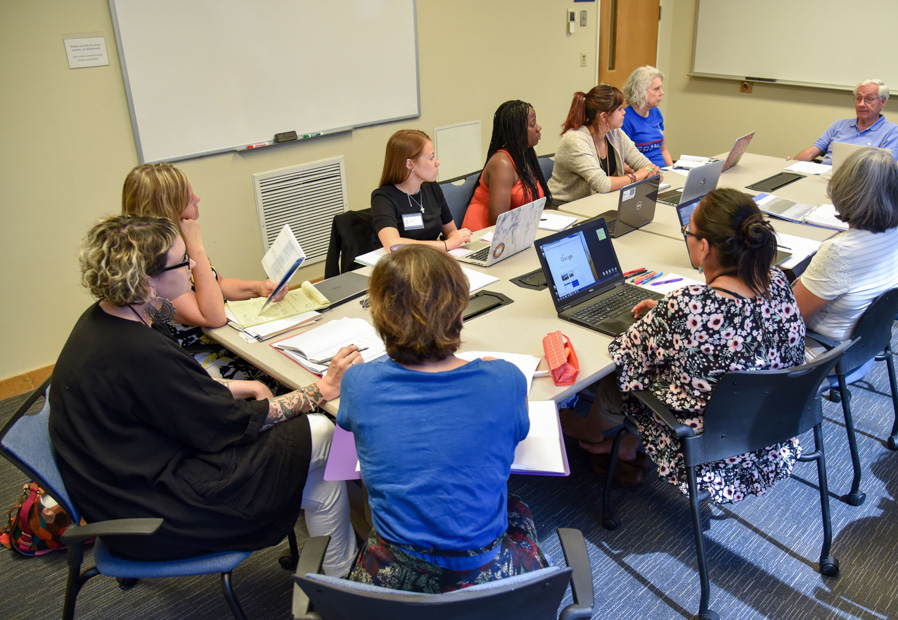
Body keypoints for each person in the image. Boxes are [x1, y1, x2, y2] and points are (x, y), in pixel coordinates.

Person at [49, 215, 359, 577]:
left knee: (322, 482)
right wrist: (319, 389)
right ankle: (362, 545)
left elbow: (178, 392)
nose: (194, 265)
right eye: (183, 262)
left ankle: (339, 574)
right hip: (157, 513)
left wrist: (244, 387)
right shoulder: (138, 352)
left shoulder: (108, 321)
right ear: (147, 281)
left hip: (127, 483)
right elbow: (226, 424)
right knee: (324, 431)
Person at [560, 188, 808, 498]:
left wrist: (665, 319)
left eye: (688, 231)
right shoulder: (778, 282)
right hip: (770, 430)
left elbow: (623, 354)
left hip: (706, 449)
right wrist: (666, 318)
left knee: (616, 380)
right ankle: (624, 445)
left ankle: (589, 432)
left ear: (704, 248)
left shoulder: (689, 307)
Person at [337, 245, 545, 592]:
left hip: (392, 575)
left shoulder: (358, 383)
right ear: (460, 315)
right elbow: (520, 427)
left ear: (380, 319)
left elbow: (348, 422)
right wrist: (498, 373)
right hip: (485, 571)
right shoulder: (506, 379)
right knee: (516, 505)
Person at [122, 164, 284, 385]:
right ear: (171, 208)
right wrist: (196, 245)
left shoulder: (176, 245)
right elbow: (212, 317)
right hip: (198, 358)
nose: (198, 198)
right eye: (189, 198)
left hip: (223, 342)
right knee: (279, 379)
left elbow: (217, 284)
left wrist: (257, 288)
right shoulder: (158, 267)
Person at [792, 148, 898, 344]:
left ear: (845, 190)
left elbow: (789, 320)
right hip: (863, 346)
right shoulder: (897, 231)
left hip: (821, 353)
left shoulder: (839, 252)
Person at [548, 85, 662, 205]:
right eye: (619, 109)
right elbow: (602, 184)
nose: (624, 112)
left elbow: (643, 163)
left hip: (596, 203)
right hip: (565, 207)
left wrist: (652, 172)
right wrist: (636, 176)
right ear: (603, 116)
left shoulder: (614, 132)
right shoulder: (575, 140)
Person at [370, 129, 472, 251]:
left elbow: (451, 232)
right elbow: (393, 245)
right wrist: (445, 245)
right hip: (400, 265)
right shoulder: (383, 198)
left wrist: (456, 239)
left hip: (432, 259)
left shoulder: (432, 188)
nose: (437, 162)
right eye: (431, 158)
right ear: (410, 164)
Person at [461, 100, 551, 231]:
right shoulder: (502, 163)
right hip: (484, 236)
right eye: (532, 124)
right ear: (517, 131)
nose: (538, 127)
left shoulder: (529, 156)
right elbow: (498, 221)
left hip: (518, 231)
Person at [791, 79, 898, 165]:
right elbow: (812, 152)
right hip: (825, 179)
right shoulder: (840, 125)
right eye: (858, 98)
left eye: (869, 99)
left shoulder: (892, 131)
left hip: (860, 186)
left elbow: (884, 169)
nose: (861, 104)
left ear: (883, 102)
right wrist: (792, 164)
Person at [621, 65, 673, 168]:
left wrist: (673, 171)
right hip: (643, 175)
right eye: (656, 89)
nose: (661, 93)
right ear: (640, 92)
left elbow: (663, 150)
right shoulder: (625, 119)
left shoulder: (656, 112)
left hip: (662, 172)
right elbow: (623, 162)